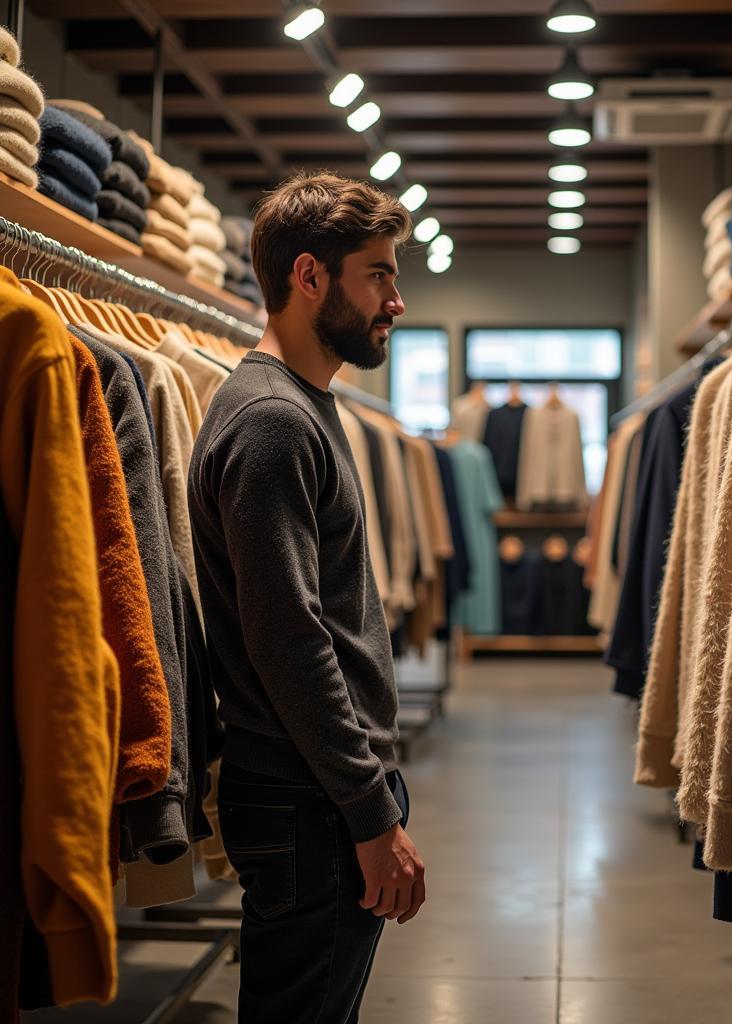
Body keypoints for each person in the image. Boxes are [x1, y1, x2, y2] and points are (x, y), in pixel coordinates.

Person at [188, 172, 426, 1023]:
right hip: (310, 799)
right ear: (309, 276)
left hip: (315, 791)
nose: (395, 300)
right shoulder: (273, 422)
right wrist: (369, 812)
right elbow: (288, 640)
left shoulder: (304, 406)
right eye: (379, 274)